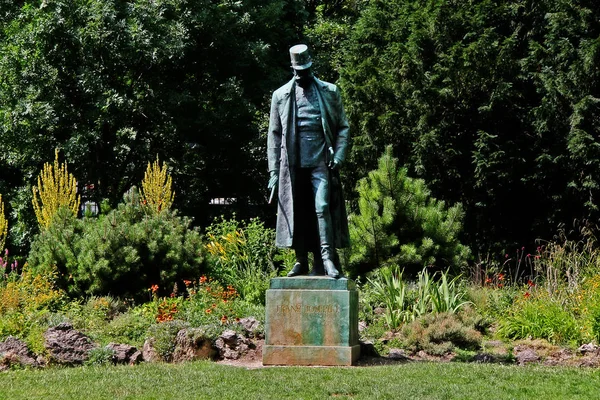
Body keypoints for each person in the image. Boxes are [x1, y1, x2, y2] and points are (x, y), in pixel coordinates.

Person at [267, 44, 350, 278]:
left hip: (321, 161)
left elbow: (343, 127)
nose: (301, 75)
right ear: (293, 69)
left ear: (311, 65)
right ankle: (301, 261)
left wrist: (340, 155)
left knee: (322, 207)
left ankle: (326, 259)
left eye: (305, 70)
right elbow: (273, 134)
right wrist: (274, 172)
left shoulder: (330, 91)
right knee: (299, 211)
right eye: (298, 71)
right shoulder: (280, 96)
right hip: (292, 164)